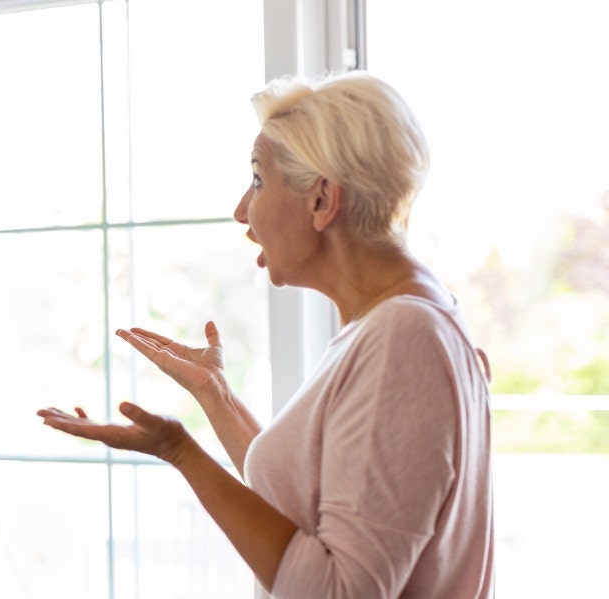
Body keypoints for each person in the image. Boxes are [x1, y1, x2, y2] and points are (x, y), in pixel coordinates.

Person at [38, 71, 493, 598]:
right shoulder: (395, 324)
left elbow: (338, 591)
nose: (241, 211)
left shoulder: (401, 336)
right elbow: (308, 513)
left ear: (322, 200)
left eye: (257, 180)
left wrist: (181, 452)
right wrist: (217, 397)